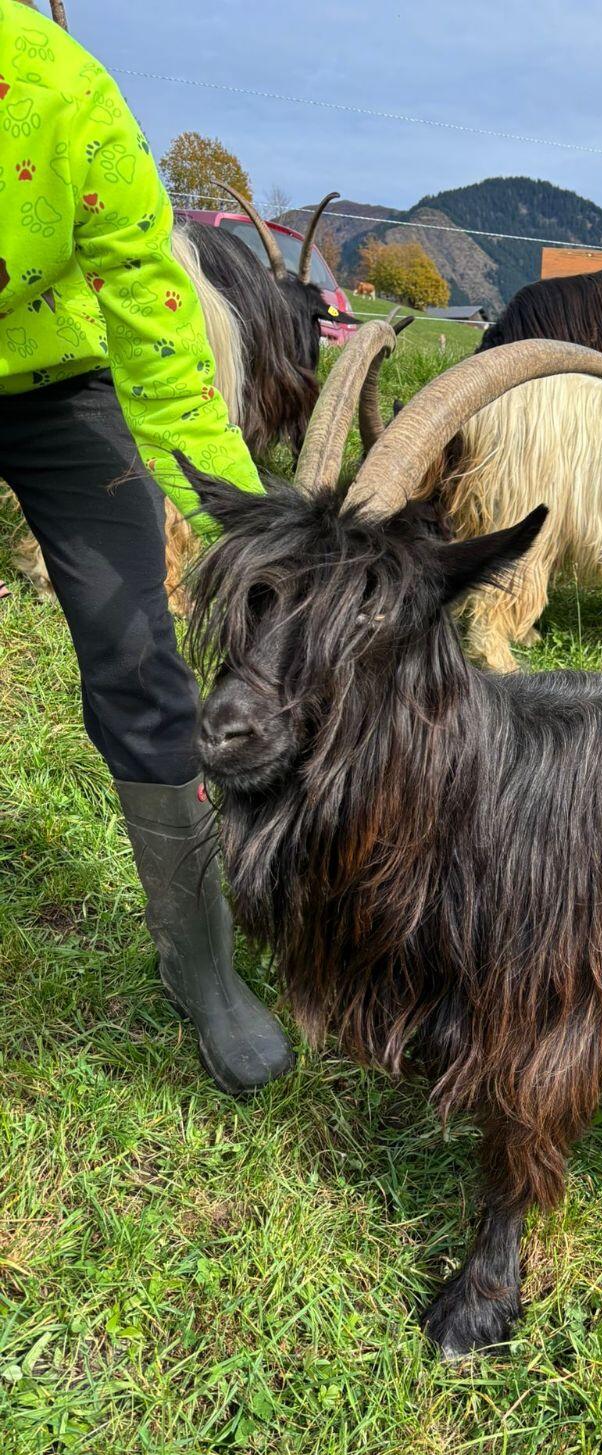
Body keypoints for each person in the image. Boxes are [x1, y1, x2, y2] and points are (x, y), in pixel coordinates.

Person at [0, 0, 293, 1092]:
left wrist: (254, 533)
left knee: (137, 651)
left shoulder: (61, 95)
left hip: (61, 376)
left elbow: (163, 344)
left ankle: (201, 966)